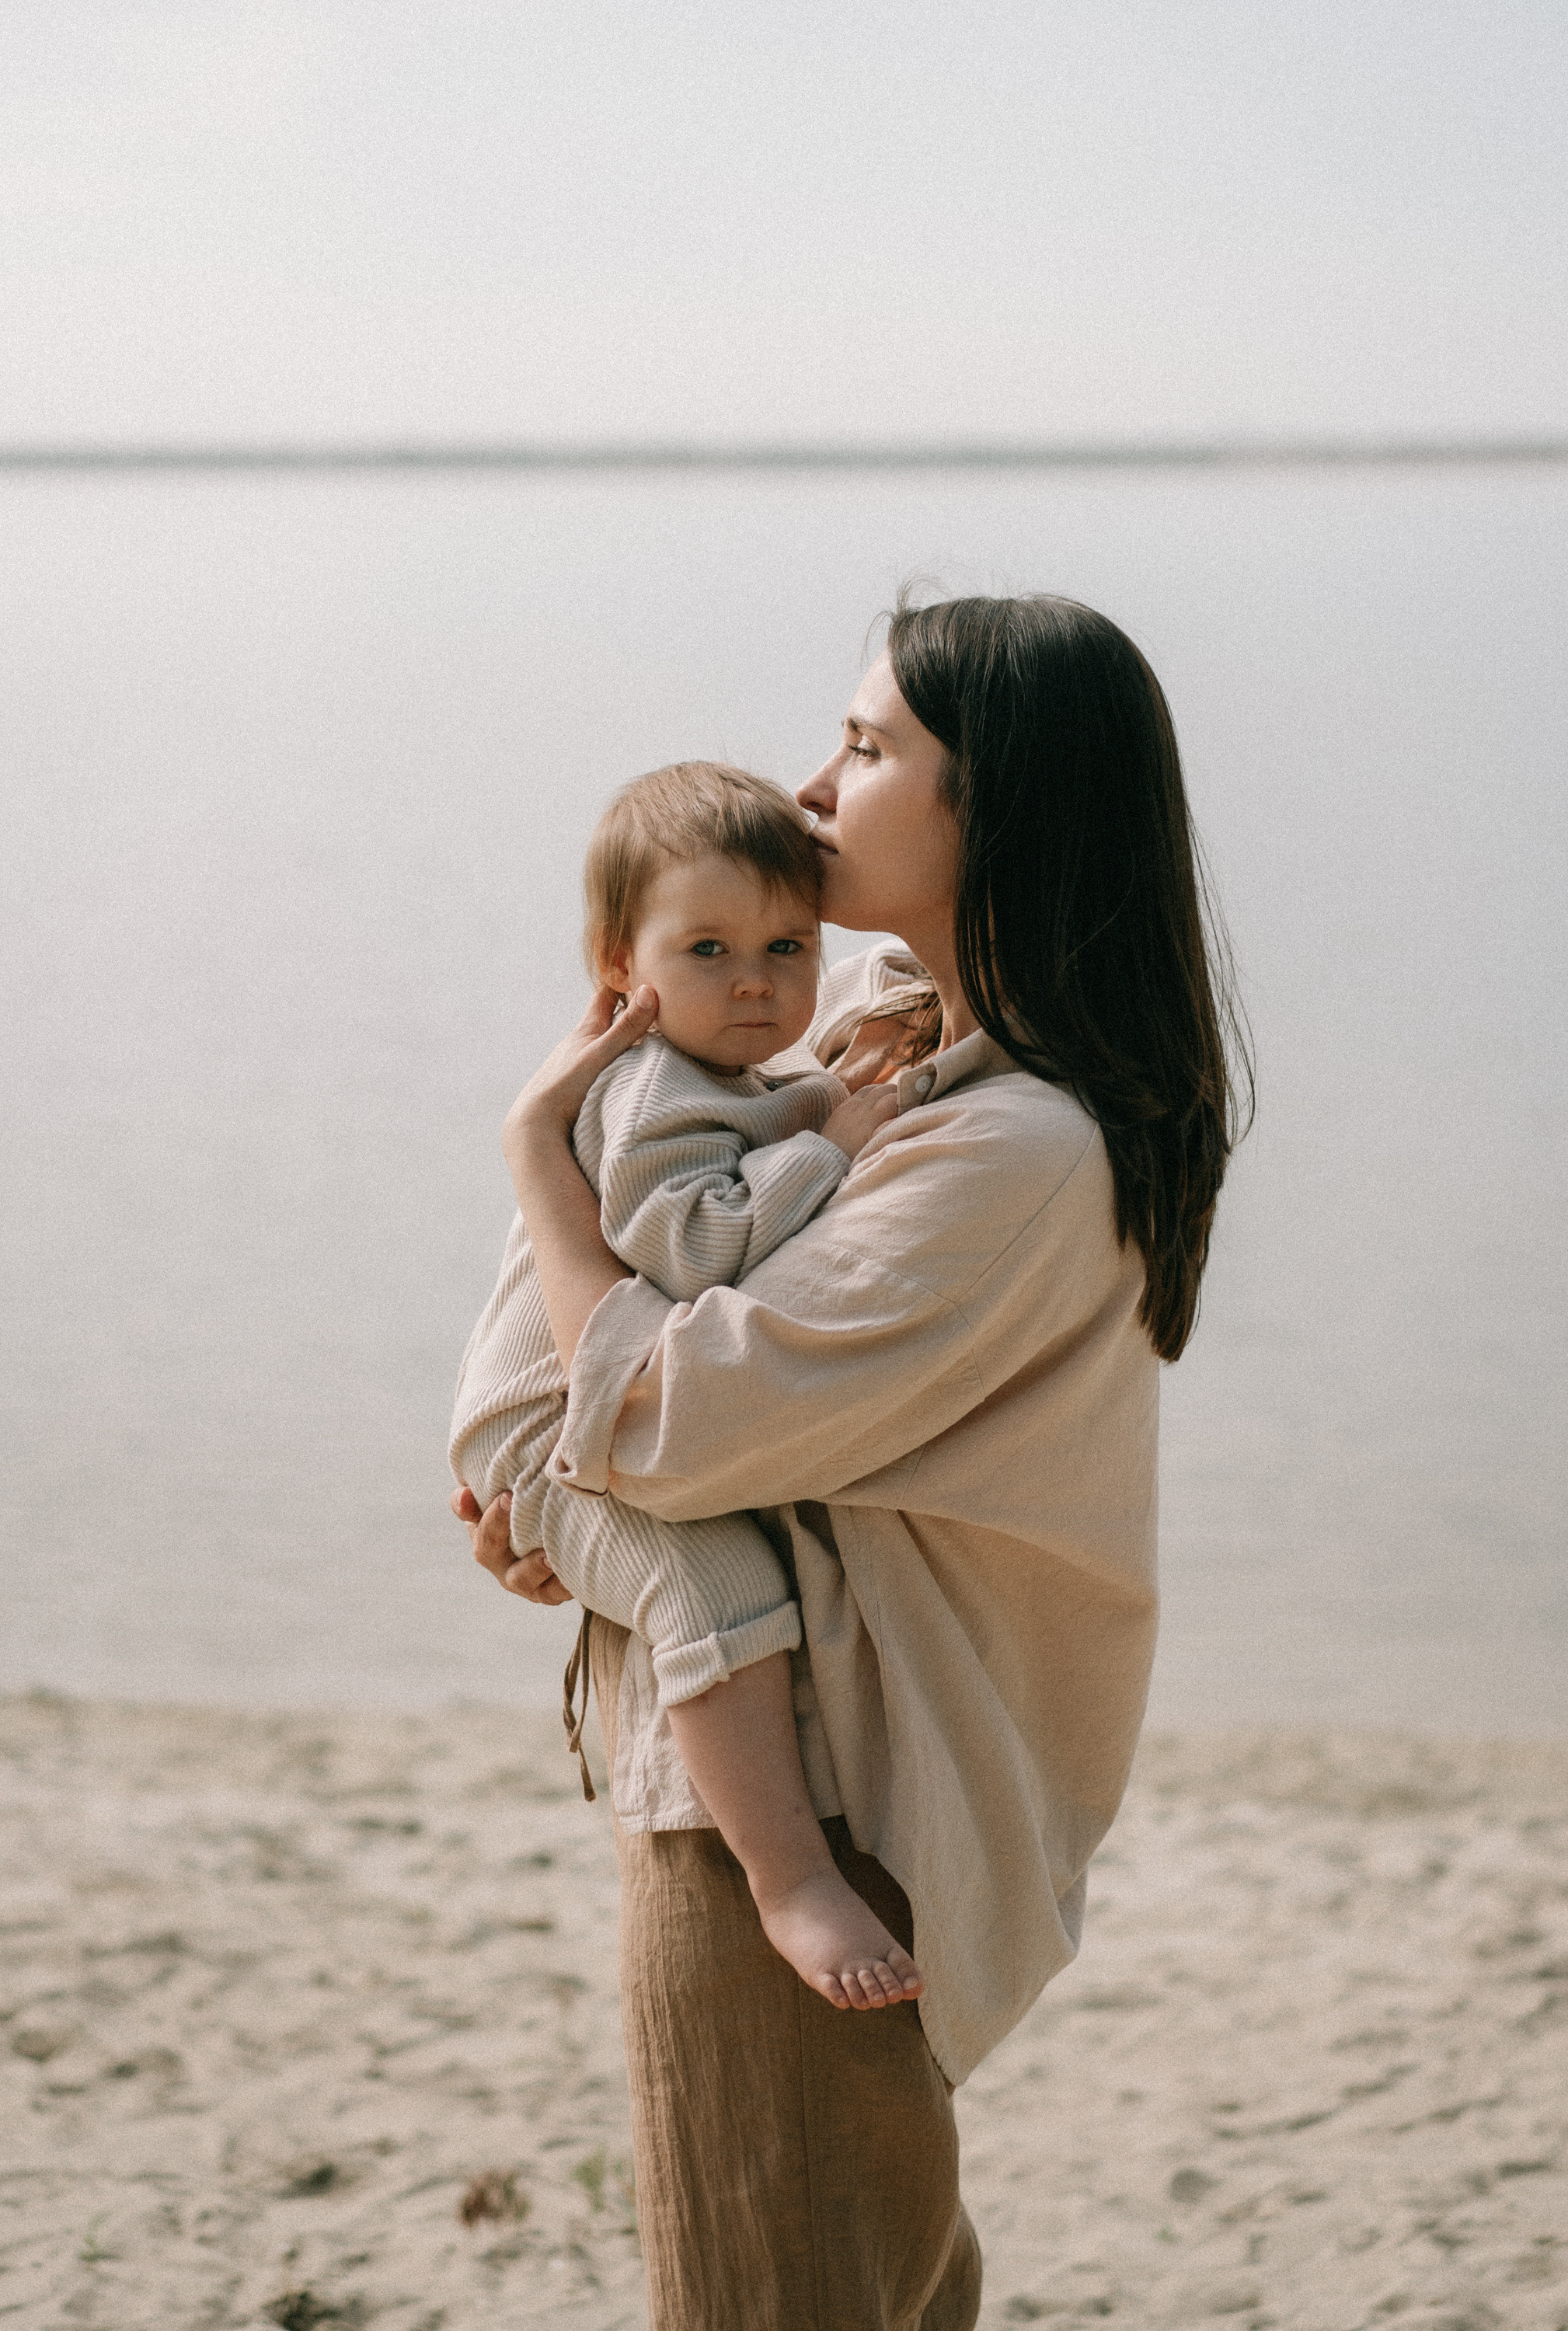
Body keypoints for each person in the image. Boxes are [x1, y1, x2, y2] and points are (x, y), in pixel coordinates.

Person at [455, 593, 1248, 2331]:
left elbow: (651, 1415)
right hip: (767, 1761)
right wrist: (560, 1503)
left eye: (870, 748)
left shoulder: (1014, 1146)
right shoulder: (884, 1028)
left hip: (809, 1806)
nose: (812, 788)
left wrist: (530, 1153)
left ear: (998, 810)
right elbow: (637, 1327)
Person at [449, 758, 922, 2009]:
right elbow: (696, 1247)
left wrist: (824, 1102)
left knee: (718, 1572)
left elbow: (764, 1132)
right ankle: (790, 1879)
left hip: (589, 1403)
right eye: (707, 950)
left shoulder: (732, 1074)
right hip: (548, 1428)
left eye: (787, 947)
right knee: (715, 1587)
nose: (755, 981)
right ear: (621, 965)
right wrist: (832, 1145)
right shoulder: (655, 1088)